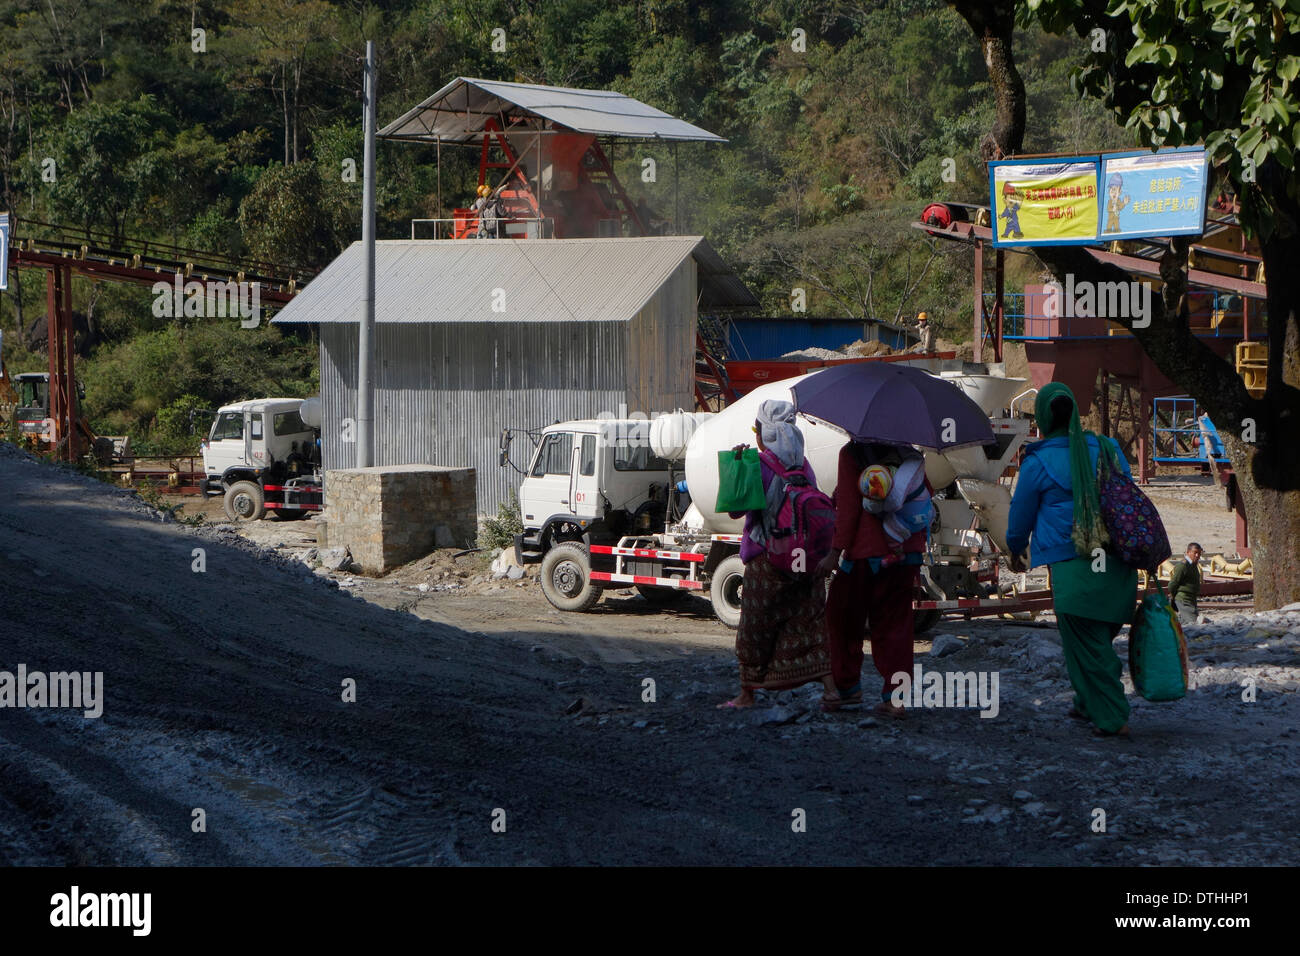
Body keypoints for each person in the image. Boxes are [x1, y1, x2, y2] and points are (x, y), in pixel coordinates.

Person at [1006, 382, 1138, 738]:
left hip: (1073, 565)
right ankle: (1085, 701)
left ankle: (1112, 717)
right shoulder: (1108, 448)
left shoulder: (1037, 461)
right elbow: (1129, 493)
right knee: (1094, 638)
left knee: (1088, 644)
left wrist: (1014, 547)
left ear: (1045, 418)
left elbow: (1019, 516)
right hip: (1119, 566)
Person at [718, 400, 840, 711]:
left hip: (768, 560)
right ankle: (830, 690)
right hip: (805, 560)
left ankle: (747, 695)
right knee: (811, 624)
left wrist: (738, 464)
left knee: (755, 629)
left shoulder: (759, 465)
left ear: (763, 434)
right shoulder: (804, 467)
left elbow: (735, 510)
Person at [819, 441, 930, 718]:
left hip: (866, 552)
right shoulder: (911, 455)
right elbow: (926, 492)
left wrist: (834, 553)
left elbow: (849, 509)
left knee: (841, 617)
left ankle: (846, 689)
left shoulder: (852, 453)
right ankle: (896, 698)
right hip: (908, 550)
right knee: (896, 624)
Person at [1168, 542, 1203, 627]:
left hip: (1191, 600)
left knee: (1185, 623)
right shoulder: (1183, 566)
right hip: (1184, 600)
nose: (1197, 555)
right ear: (1188, 552)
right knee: (1195, 623)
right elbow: (1172, 584)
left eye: (1199, 553)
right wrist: (1173, 597)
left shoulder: (1193, 565)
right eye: (1195, 552)